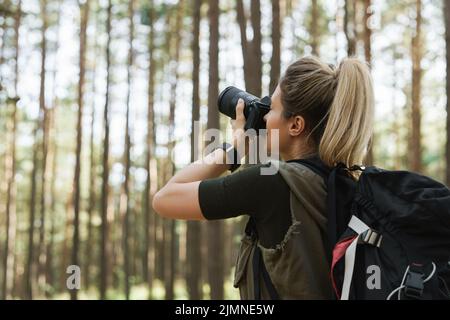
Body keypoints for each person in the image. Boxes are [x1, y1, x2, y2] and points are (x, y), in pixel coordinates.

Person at [152, 56, 374, 299]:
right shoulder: (348, 182)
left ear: (296, 125)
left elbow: (165, 198)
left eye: (274, 108)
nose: (265, 117)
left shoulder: (273, 183)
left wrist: (235, 149)